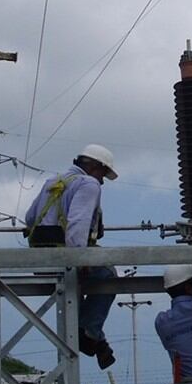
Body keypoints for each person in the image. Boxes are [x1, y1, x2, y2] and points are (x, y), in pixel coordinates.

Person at [24, 144, 118, 370]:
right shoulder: (89, 184)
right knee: (107, 275)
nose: (102, 180)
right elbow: (78, 222)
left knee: (77, 290)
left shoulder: (53, 182)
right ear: (96, 167)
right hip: (66, 257)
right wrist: (80, 258)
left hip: (41, 259)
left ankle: (93, 337)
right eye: (103, 174)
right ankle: (91, 334)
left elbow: (29, 219)